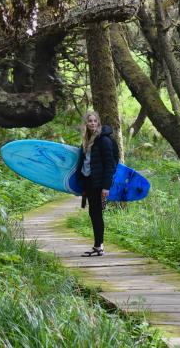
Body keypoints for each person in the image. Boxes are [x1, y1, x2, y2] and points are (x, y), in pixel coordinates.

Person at [77, 110, 117, 257]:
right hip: (89, 181)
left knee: (97, 214)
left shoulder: (104, 140)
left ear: (98, 123)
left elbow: (110, 164)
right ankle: (97, 245)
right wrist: (82, 184)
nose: (92, 123)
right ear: (86, 124)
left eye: (95, 121)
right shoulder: (87, 140)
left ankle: (100, 246)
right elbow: (84, 163)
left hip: (99, 183)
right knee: (93, 213)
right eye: (90, 121)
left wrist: (106, 187)